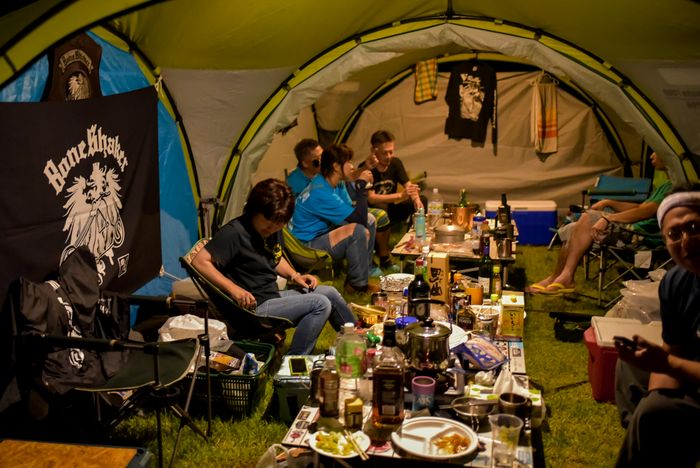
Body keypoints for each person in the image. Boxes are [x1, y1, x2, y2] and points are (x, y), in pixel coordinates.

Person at [191, 178, 356, 355]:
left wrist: (295, 275)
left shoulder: (273, 229)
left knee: (329, 292)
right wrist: (234, 289)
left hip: (272, 296)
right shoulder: (234, 232)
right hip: (254, 308)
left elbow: (275, 257)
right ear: (255, 209)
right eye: (269, 222)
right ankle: (293, 361)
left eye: (280, 223)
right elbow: (199, 261)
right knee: (320, 303)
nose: (273, 228)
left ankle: (357, 342)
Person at [614, 187, 700, 467]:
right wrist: (656, 386)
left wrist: (665, 366)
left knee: (657, 411)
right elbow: (674, 350)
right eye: (674, 234)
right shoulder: (677, 282)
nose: (686, 241)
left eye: (694, 227)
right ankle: (648, 443)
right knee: (629, 368)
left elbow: (671, 361)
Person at [527, 152, 672, 294]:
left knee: (590, 216)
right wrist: (609, 202)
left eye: (657, 151)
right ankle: (556, 277)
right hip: (629, 230)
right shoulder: (665, 185)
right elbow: (640, 207)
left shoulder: (673, 188)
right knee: (572, 228)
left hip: (640, 236)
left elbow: (645, 212)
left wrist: (609, 218)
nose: (651, 155)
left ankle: (567, 276)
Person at [286, 138, 396, 275]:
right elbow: (359, 219)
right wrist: (361, 186)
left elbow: (351, 210)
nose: (352, 166)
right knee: (359, 230)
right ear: (336, 167)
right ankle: (358, 281)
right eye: (348, 162)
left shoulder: (333, 181)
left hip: (320, 233)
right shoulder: (320, 190)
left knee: (369, 219)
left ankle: (367, 268)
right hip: (304, 247)